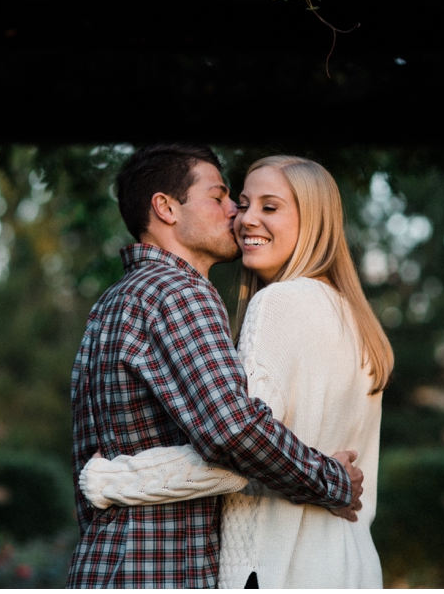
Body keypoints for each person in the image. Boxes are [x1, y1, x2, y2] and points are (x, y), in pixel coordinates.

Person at [79, 155, 394, 588]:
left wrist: (110, 480)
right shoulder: (357, 321)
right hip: (350, 564)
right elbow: (240, 440)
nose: (240, 217)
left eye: (268, 207)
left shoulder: (271, 304)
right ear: (165, 208)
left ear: (315, 219)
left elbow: (235, 448)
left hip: (278, 566)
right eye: (235, 201)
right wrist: (332, 479)